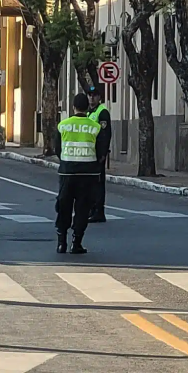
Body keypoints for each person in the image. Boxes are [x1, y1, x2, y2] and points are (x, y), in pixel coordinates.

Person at [54, 93, 107, 254]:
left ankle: (61, 242)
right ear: (87, 108)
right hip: (88, 174)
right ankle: (76, 242)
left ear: (73, 107)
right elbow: (101, 151)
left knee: (64, 207)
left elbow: (57, 149)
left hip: (67, 173)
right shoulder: (95, 127)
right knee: (82, 209)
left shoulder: (63, 125)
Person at [86, 86, 112, 223]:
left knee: (98, 184)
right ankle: (91, 209)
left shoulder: (102, 113)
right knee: (90, 184)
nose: (91, 98)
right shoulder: (89, 112)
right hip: (89, 154)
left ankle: (99, 211)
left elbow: (105, 135)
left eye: (94, 95)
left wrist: (103, 154)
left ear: (99, 97)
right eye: (89, 95)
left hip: (98, 154)